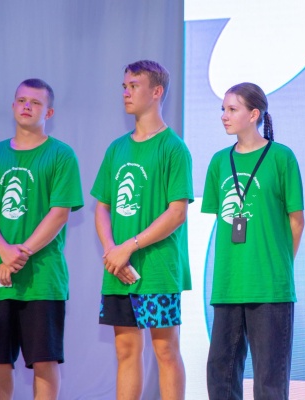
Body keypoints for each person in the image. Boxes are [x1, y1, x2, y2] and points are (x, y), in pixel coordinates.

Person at [0, 78, 84, 400]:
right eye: (21, 100)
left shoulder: (61, 155)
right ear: (13, 106)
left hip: (43, 278)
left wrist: (20, 253)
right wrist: (4, 251)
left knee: (44, 360)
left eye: (36, 102)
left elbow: (59, 213)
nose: (27, 106)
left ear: (49, 112)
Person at [91, 60, 192, 400]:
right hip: (119, 268)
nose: (126, 92)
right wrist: (112, 250)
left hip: (158, 268)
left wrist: (129, 246)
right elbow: (102, 206)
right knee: (125, 350)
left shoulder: (173, 147)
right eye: (124, 86)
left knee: (165, 350)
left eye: (134, 86)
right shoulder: (117, 148)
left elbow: (177, 213)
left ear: (157, 91)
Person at [201, 82, 304, 399]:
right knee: (220, 374)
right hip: (229, 283)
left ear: (254, 114)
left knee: (270, 379)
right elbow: (219, 219)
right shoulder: (220, 161)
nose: (224, 115)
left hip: (270, 286)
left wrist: (278, 264)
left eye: (232, 109)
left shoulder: (282, 157)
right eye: (223, 109)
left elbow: (296, 221)